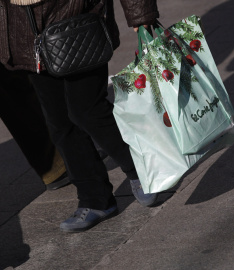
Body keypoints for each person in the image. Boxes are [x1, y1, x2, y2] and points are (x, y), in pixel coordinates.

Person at [0, 0, 159, 233]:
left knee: (86, 110)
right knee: (59, 123)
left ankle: (142, 171)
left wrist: (140, 13)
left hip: (74, 12)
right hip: (23, 26)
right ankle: (95, 199)